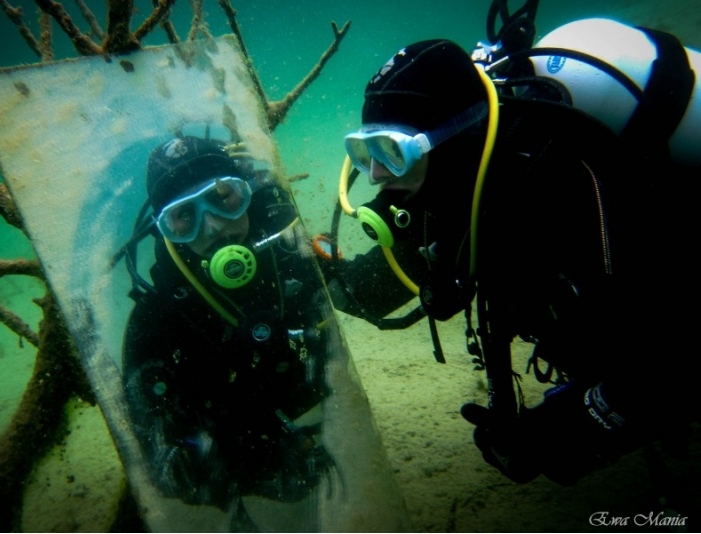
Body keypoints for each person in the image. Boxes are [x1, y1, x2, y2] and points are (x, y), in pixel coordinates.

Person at [321, 27, 697, 494]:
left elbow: (675, 362)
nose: (375, 175)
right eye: (364, 150)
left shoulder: (570, 193)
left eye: (391, 151)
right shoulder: (458, 183)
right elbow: (399, 274)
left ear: (449, 139)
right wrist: (315, 274)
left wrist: (556, 436)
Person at [121, 134, 336, 524]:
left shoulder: (293, 258)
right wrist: (262, 465)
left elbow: (367, 295)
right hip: (246, 475)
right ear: (165, 228)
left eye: (223, 197)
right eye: (185, 216)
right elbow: (163, 463)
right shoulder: (156, 320)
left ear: (248, 192)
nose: (215, 227)